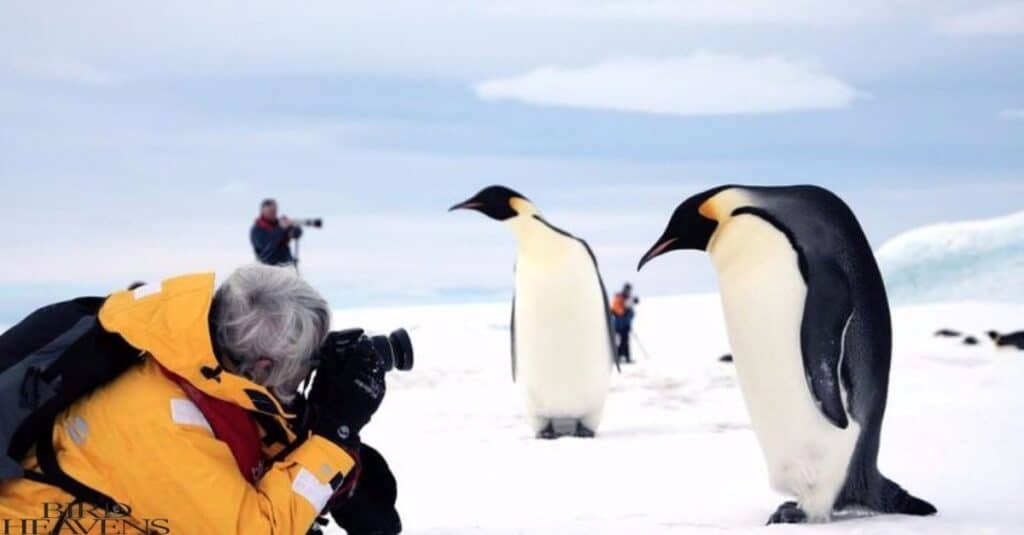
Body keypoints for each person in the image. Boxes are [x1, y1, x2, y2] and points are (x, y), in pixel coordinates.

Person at [0, 264, 401, 534]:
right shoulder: (160, 418)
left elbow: (245, 426)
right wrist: (336, 430)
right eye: (304, 362)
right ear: (262, 365)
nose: (307, 371)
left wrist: (323, 427)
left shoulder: (191, 358)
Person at [251, 198, 302, 266]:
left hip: (286, 266)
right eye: (270, 211)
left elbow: (295, 233)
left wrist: (293, 227)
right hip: (268, 268)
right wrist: (281, 228)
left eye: (275, 211)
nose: (273, 213)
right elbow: (266, 246)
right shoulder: (257, 230)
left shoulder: (279, 225)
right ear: (263, 211)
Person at [610, 283, 638, 364]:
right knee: (623, 341)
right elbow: (617, 310)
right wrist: (625, 312)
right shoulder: (619, 298)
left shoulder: (626, 298)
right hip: (619, 325)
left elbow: (629, 310)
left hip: (626, 324)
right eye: (628, 290)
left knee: (625, 341)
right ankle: (619, 356)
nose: (629, 291)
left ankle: (626, 357)